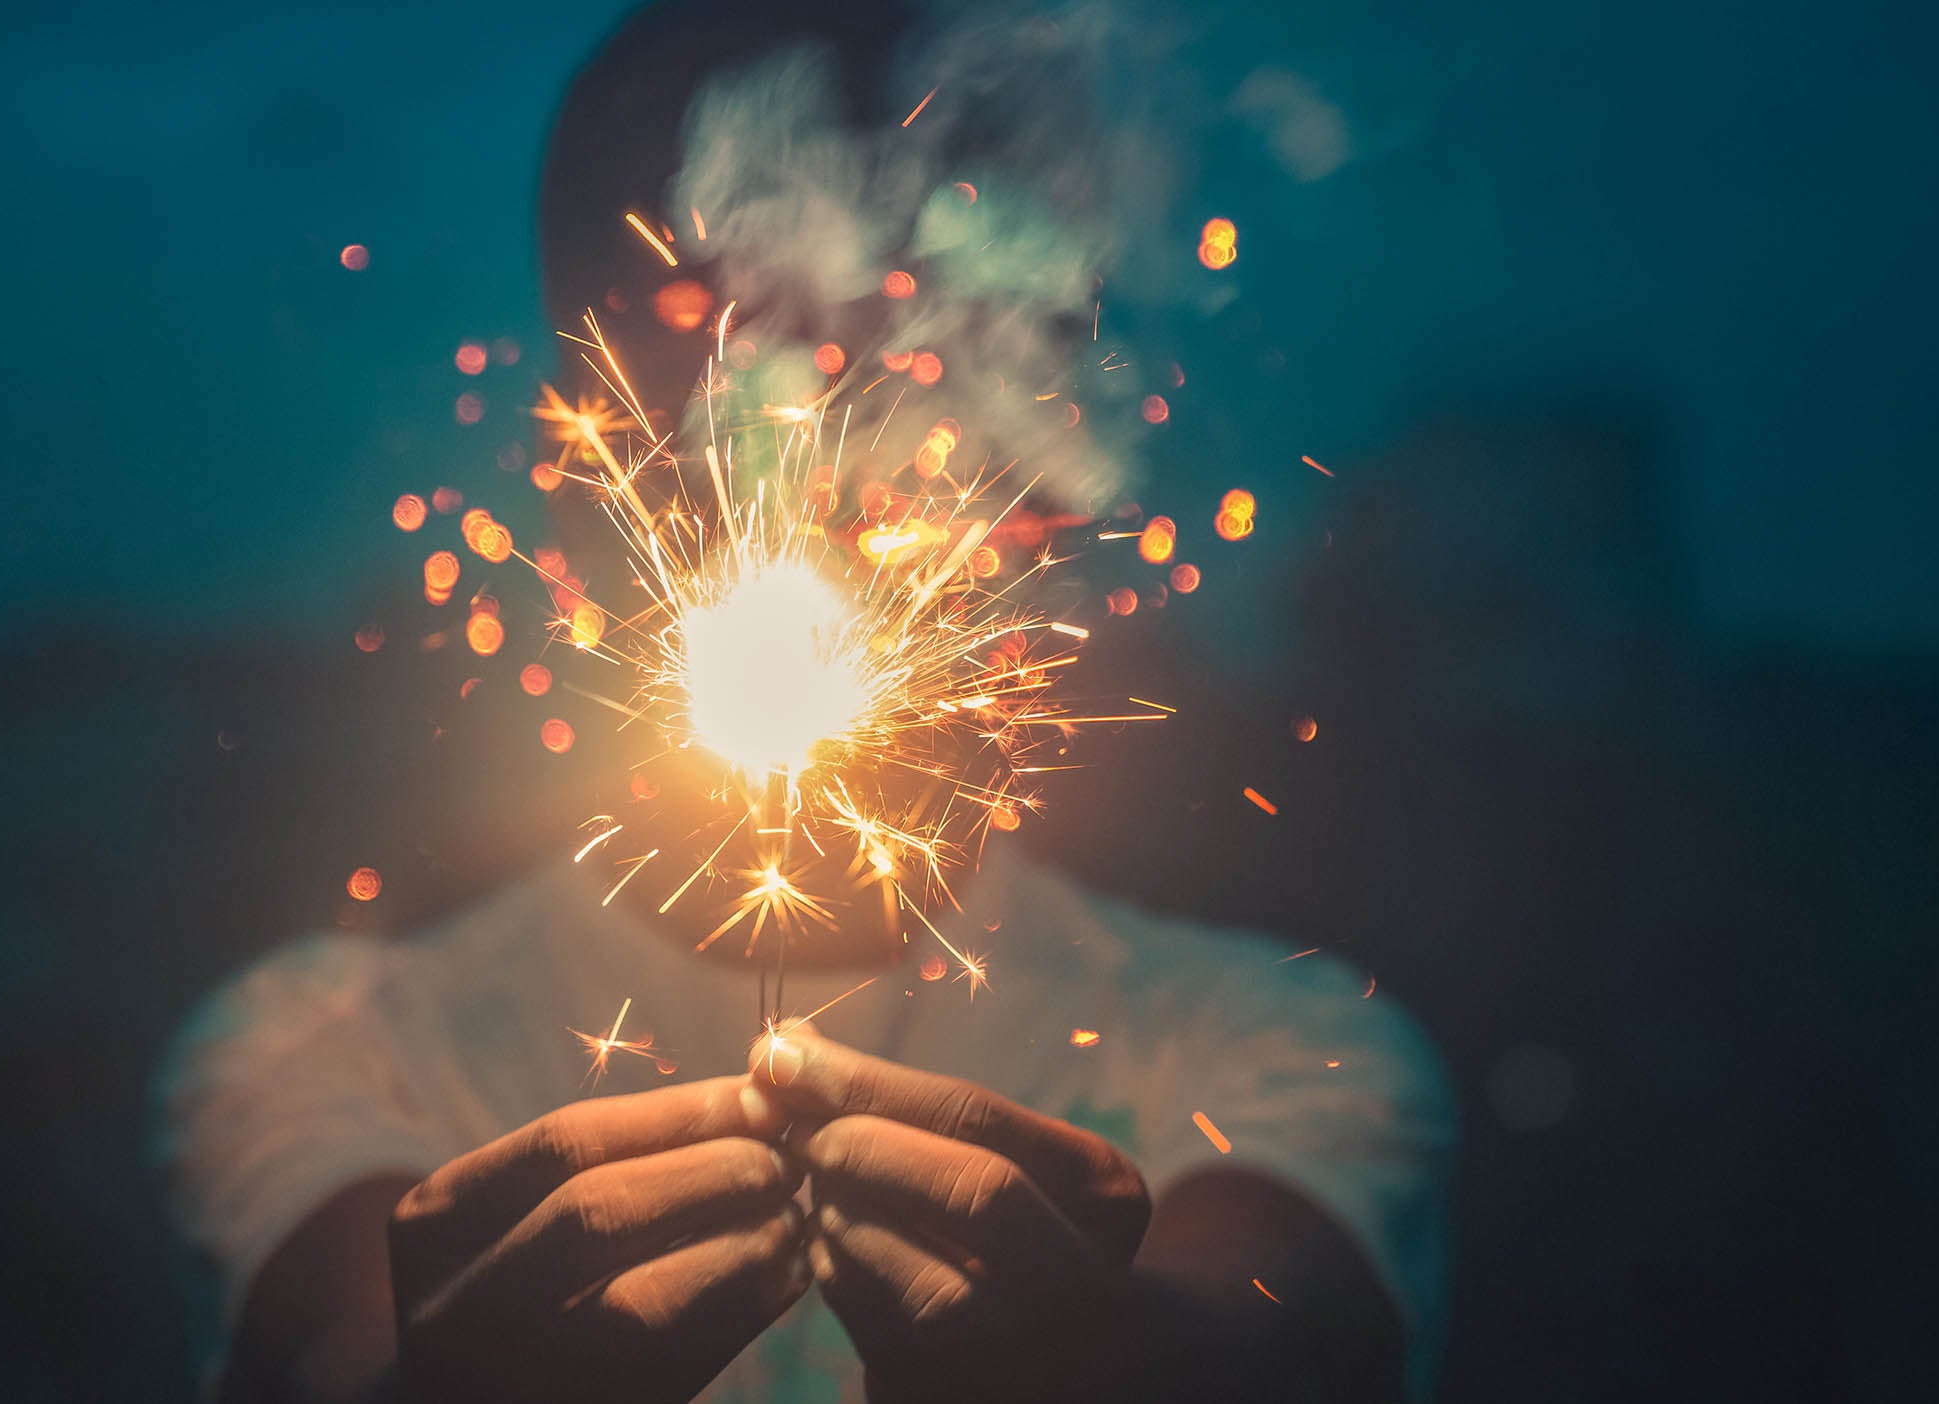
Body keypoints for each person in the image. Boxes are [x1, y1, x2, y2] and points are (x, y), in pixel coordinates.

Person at [157, 5, 1453, 1402]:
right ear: (572, 468)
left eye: (921, 366)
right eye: (731, 361)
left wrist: (1130, 1363)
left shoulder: (1272, 1040)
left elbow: (1278, 1340)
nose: (828, 477)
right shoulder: (325, 1046)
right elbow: (330, 1346)